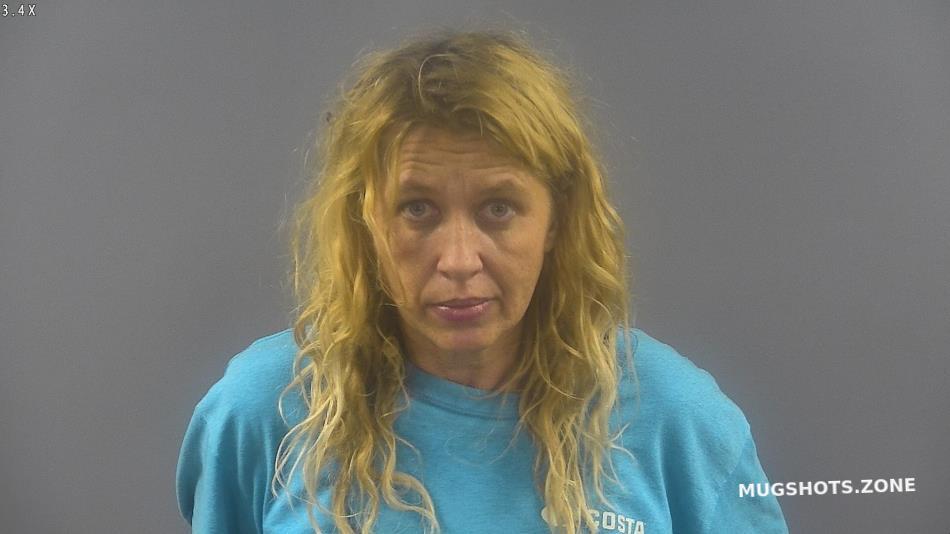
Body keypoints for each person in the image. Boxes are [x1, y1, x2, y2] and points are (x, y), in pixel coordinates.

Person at [176, 29, 789, 534]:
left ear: (556, 220)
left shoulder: (676, 420)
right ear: (365, 221)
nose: (459, 260)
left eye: (498, 208)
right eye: (418, 209)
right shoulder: (264, 411)